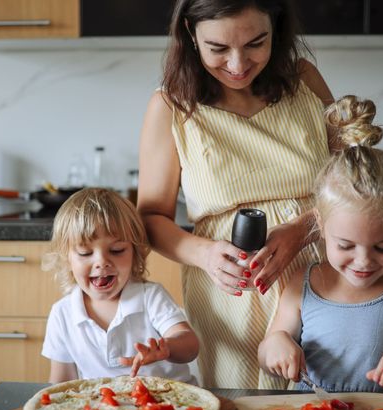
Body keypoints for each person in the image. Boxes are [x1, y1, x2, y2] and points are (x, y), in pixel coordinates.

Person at [137, 0, 337, 389]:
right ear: (191, 37)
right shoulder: (170, 107)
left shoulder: (305, 80)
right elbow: (150, 219)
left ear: (276, 30)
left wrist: (303, 229)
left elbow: (354, 185)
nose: (237, 63)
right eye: (218, 49)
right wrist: (205, 254)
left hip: (325, 275)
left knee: (334, 406)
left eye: (255, 43)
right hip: (232, 292)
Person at [258, 96, 383, 397]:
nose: (364, 261)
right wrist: (275, 345)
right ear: (321, 228)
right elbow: (267, 353)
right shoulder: (303, 282)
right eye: (346, 245)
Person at [40, 188, 199, 384]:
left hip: (173, 404)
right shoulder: (62, 314)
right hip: (104, 409)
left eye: (116, 250)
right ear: (67, 258)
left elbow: (190, 346)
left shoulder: (150, 297)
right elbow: (61, 383)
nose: (101, 262)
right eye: (85, 253)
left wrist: (166, 347)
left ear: (135, 253)